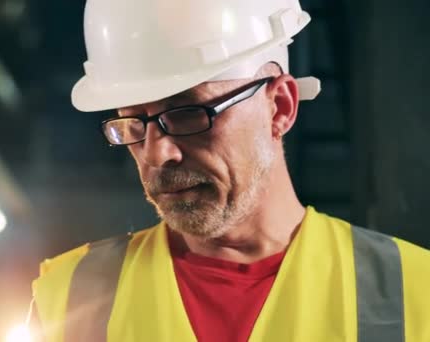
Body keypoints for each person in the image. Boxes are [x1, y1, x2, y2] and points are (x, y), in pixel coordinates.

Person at [31, 0, 430, 341]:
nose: (157, 153)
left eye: (188, 113)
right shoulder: (69, 298)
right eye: (134, 123)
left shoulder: (415, 294)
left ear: (280, 107)